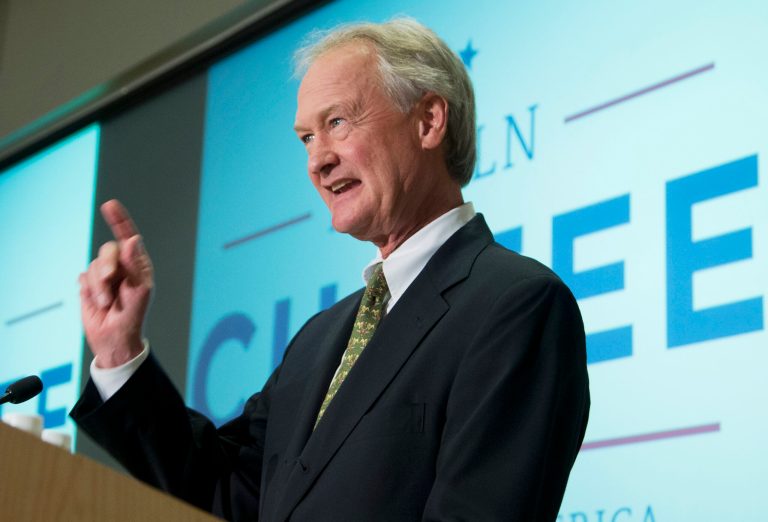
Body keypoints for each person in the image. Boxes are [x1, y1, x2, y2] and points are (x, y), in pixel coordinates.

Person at [72, 18, 590, 522]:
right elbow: (227, 491)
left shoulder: (516, 305)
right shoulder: (318, 340)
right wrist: (120, 355)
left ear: (429, 121)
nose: (317, 161)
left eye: (337, 123)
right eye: (306, 138)